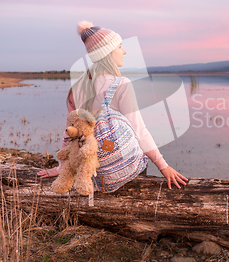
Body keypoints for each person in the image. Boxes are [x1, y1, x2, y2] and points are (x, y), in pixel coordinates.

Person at [37, 21, 188, 190]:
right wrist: (163, 166)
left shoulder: (76, 88)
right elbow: (140, 131)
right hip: (126, 169)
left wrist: (61, 168)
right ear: (107, 52)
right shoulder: (121, 84)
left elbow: (70, 132)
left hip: (93, 172)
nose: (124, 51)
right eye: (119, 47)